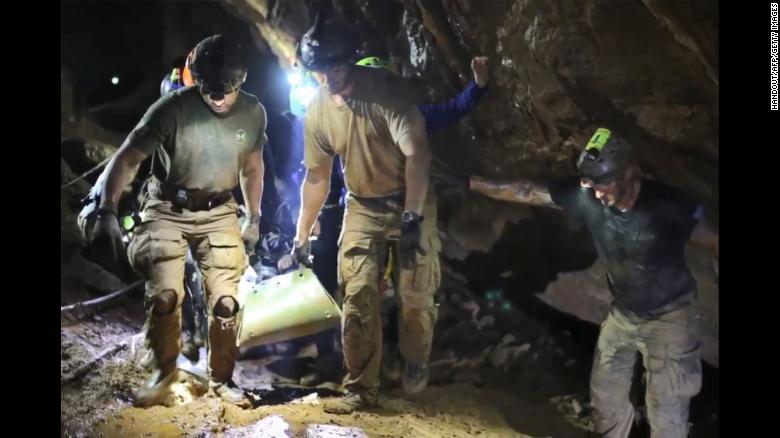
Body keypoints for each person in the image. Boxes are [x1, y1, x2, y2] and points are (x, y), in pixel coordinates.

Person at [458, 127, 718, 437]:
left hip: (671, 317)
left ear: (629, 175)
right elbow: (526, 191)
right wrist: (469, 182)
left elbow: (714, 240)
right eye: (590, 184)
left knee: (667, 411)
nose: (596, 193)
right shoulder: (589, 196)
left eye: (602, 184)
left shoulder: (668, 205)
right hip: (623, 315)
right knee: (605, 402)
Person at [90, 34, 267, 408]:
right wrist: (107, 208)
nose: (218, 97)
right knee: (167, 294)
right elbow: (128, 158)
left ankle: (222, 378)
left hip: (219, 209)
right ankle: (163, 373)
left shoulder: (252, 113)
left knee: (225, 301)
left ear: (242, 81)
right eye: (209, 88)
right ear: (196, 79)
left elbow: (253, 167)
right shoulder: (171, 109)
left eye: (226, 90)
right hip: (168, 206)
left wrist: (254, 216)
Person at [290, 16, 439, 414]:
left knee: (415, 296)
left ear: (351, 61)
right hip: (362, 204)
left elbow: (417, 154)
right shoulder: (318, 111)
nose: (328, 79)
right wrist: (302, 233)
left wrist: (411, 217)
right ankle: (361, 387)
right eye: (320, 71)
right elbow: (317, 177)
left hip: (411, 198)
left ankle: (414, 357)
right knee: (356, 295)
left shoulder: (387, 94)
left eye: (335, 68)